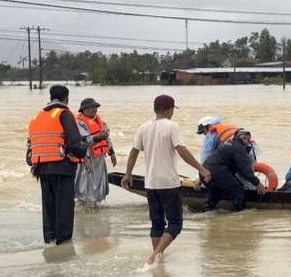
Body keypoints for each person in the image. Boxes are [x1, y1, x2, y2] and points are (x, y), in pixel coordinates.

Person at [121, 95, 211, 268]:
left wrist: (128, 175)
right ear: (170, 111)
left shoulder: (143, 127)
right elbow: (182, 151)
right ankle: (154, 256)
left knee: (157, 223)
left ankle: (158, 260)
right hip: (169, 183)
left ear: (156, 110)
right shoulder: (172, 126)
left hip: (151, 184)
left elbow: (133, 153)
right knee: (175, 224)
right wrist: (202, 169)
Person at [27, 85, 91, 245]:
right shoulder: (64, 113)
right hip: (62, 167)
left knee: (48, 208)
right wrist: (84, 155)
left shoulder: (37, 116)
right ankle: (63, 245)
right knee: (64, 207)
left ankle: (49, 241)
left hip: (41, 168)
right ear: (66, 98)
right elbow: (74, 143)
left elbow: (30, 149)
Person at [196, 129, 266, 211]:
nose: (246, 141)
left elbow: (211, 163)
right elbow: (244, 169)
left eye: (248, 139)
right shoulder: (238, 147)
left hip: (205, 174)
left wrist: (200, 180)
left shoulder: (226, 145)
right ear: (237, 137)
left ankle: (207, 213)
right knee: (238, 193)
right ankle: (239, 218)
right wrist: (257, 183)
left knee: (215, 192)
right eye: (244, 138)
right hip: (218, 173)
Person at [74, 98, 117, 208]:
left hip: (99, 158)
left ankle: (95, 207)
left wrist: (112, 152)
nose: (95, 109)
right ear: (84, 109)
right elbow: (83, 141)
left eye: (96, 107)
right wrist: (98, 137)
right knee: (85, 183)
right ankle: (82, 207)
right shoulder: (79, 123)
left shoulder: (100, 122)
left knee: (98, 182)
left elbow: (107, 138)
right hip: (87, 157)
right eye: (92, 107)